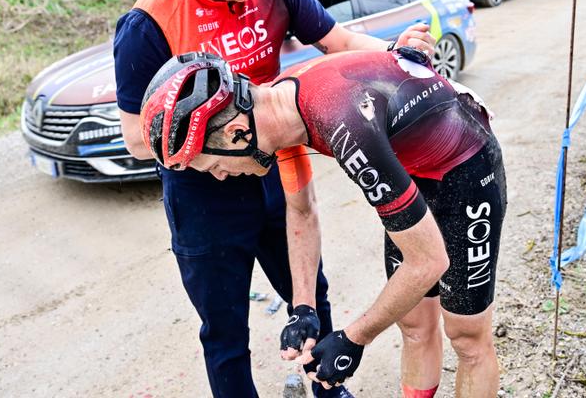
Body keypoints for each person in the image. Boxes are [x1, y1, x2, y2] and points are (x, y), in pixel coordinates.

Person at [113, 0, 435, 398]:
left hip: (276, 166)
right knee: (224, 331)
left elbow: (341, 42)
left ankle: (327, 388)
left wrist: (395, 51)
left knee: (310, 298)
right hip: (203, 195)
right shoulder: (148, 23)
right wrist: (215, 146)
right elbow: (135, 137)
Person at [140, 49, 507, 397]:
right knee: (413, 324)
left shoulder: (342, 122)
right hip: (411, 166)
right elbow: (301, 210)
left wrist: (354, 338)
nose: (220, 177)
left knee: (466, 336)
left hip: (466, 169)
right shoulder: (276, 114)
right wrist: (304, 308)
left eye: (214, 166)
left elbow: (428, 262)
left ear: (237, 134)